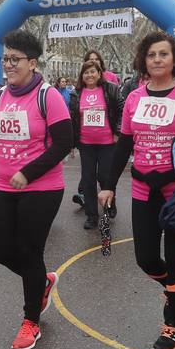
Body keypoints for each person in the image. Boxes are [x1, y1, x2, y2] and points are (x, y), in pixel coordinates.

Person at [0, 30, 74, 349]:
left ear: (32, 62)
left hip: (41, 187)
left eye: (15, 59)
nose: (8, 64)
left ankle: (31, 321)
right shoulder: (0, 96)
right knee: (1, 251)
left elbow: (64, 143)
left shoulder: (49, 96)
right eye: (5, 59)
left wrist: (28, 172)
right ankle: (41, 281)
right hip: (3, 185)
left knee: (30, 252)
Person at [101, 31, 175, 349]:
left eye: (163, 54)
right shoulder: (135, 98)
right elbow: (124, 143)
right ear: (144, 59)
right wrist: (108, 184)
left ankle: (171, 326)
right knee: (146, 258)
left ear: (174, 60)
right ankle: (174, 287)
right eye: (151, 54)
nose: (157, 59)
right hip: (142, 187)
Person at [69, 59, 122, 231]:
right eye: (86, 72)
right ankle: (92, 215)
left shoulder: (110, 89)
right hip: (86, 144)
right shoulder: (76, 93)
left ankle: (109, 204)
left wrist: (117, 132)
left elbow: (121, 110)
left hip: (107, 143)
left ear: (99, 74)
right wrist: (72, 141)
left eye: (93, 72)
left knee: (106, 177)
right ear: (82, 76)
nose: (89, 75)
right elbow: (72, 118)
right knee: (88, 180)